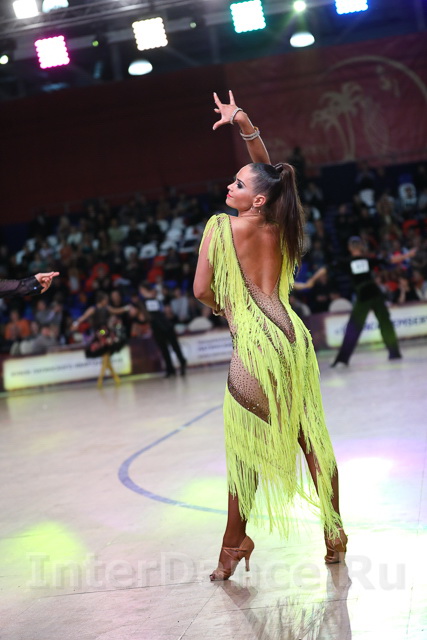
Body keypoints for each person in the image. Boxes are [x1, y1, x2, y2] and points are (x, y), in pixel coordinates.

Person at [194, 91, 347, 582]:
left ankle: (232, 547)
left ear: (257, 199)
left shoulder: (221, 227)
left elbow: (201, 290)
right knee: (311, 438)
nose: (230, 185)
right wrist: (245, 123)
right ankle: (335, 533)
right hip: (292, 335)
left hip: (255, 343)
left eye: (238, 183)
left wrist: (225, 309)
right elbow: (271, 177)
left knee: (245, 450)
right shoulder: (281, 225)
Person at [330, 237, 416, 367]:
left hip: (363, 296)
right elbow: (390, 260)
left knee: (353, 327)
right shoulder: (368, 259)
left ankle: (342, 359)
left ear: (349, 248)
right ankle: (394, 353)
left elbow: (326, 269)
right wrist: (407, 255)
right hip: (375, 293)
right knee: (385, 323)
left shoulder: (346, 262)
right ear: (361, 246)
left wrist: (311, 281)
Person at [71, 291, 130, 388]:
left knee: (106, 356)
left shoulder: (107, 308)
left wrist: (126, 308)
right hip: (101, 332)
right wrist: (76, 323)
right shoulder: (93, 309)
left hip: (105, 331)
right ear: (101, 300)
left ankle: (110, 378)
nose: (107, 301)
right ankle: (108, 378)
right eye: (106, 300)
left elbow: (116, 311)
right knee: (105, 352)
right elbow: (84, 317)